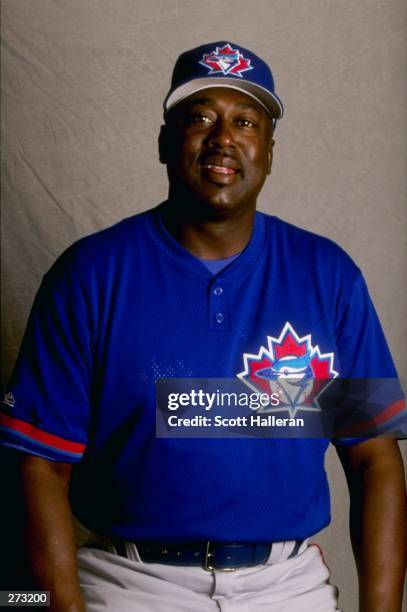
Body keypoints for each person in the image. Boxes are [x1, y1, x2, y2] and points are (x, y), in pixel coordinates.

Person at [1, 41, 406, 612]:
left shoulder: (327, 273)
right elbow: (39, 466)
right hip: (131, 582)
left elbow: (375, 456)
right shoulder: (89, 274)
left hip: (285, 586)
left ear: (269, 150)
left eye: (245, 121)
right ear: (166, 142)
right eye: (200, 118)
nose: (223, 138)